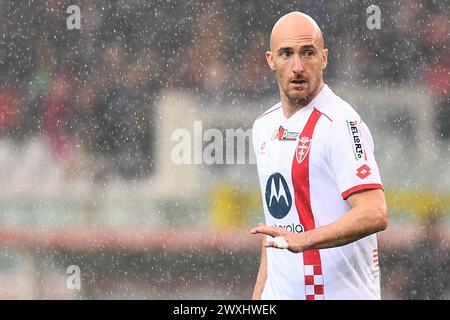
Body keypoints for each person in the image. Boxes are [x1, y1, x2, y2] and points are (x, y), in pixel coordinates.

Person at [250, 11, 388, 300]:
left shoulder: (340, 123)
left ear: (324, 58)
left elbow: (374, 212)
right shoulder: (263, 127)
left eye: (308, 53)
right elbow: (277, 229)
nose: (297, 66)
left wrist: (305, 240)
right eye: (286, 54)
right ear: (270, 60)